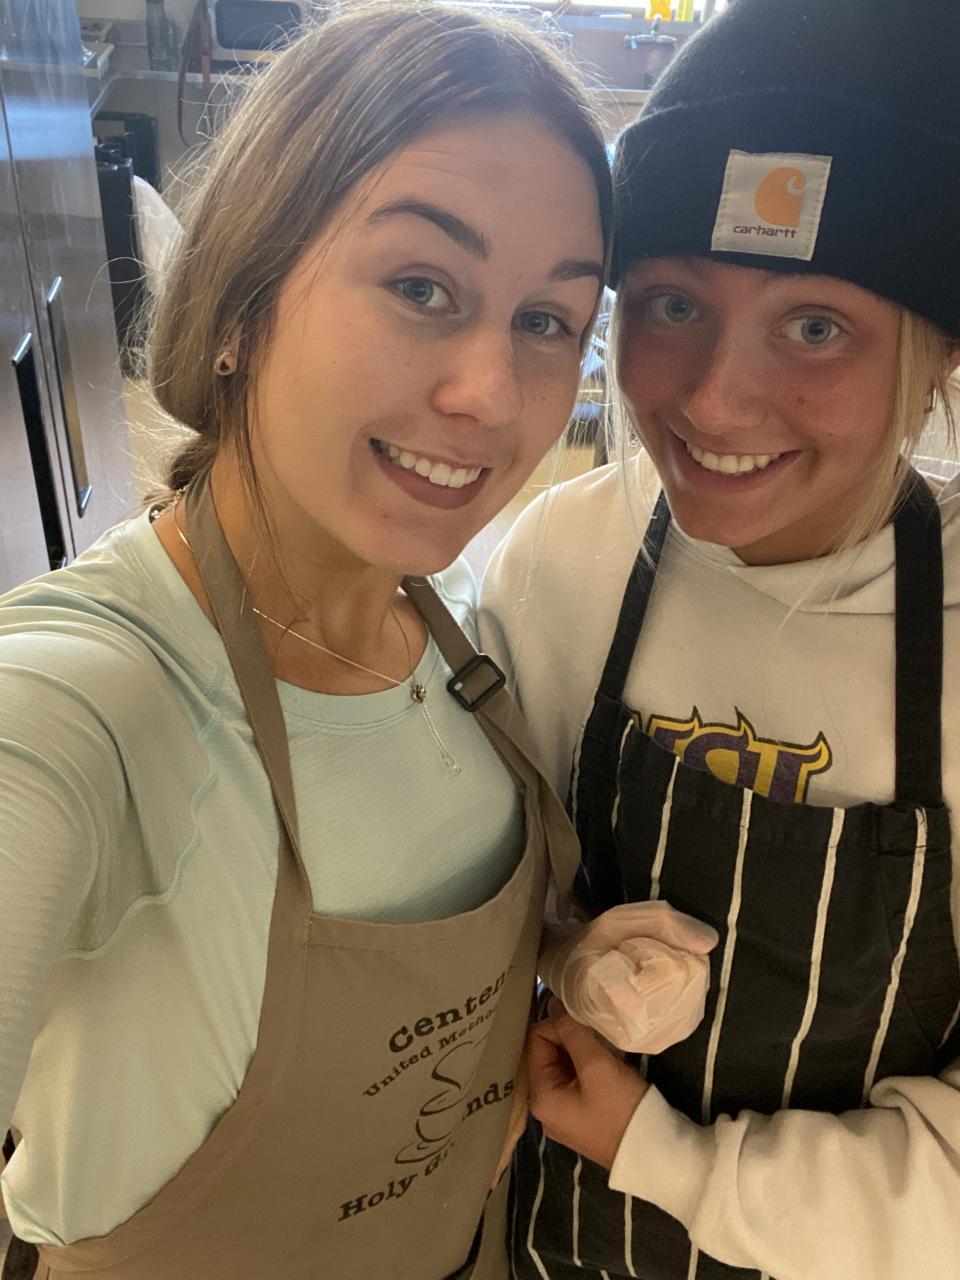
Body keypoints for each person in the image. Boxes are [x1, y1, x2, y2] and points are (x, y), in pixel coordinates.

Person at [0, 4, 613, 1277]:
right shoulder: (87, 698)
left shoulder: (465, 637)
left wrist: (576, 966)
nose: (491, 394)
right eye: (421, 287)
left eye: (547, 319)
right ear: (240, 304)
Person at [480, 1, 960, 1276]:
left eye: (815, 325)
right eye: (673, 304)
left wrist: (670, 1156)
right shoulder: (560, 564)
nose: (713, 400)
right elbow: (472, 897)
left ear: (937, 355)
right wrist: (563, 949)